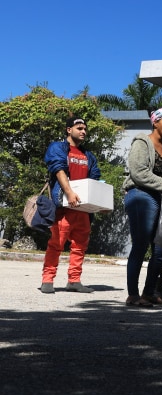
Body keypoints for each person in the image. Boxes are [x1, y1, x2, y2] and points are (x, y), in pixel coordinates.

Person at [122, 104, 162, 307]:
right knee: (140, 245)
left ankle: (149, 292)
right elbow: (138, 172)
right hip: (140, 196)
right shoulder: (142, 142)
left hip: (160, 199)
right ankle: (133, 294)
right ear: (155, 122)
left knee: (160, 249)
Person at [40, 116, 101, 294]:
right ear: (69, 130)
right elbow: (58, 169)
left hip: (82, 209)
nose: (83, 131)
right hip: (63, 207)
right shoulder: (57, 148)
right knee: (56, 244)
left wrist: (99, 204)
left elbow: (94, 179)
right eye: (79, 128)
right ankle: (47, 279)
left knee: (80, 246)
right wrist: (69, 192)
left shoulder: (88, 155)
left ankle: (74, 281)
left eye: (85, 129)